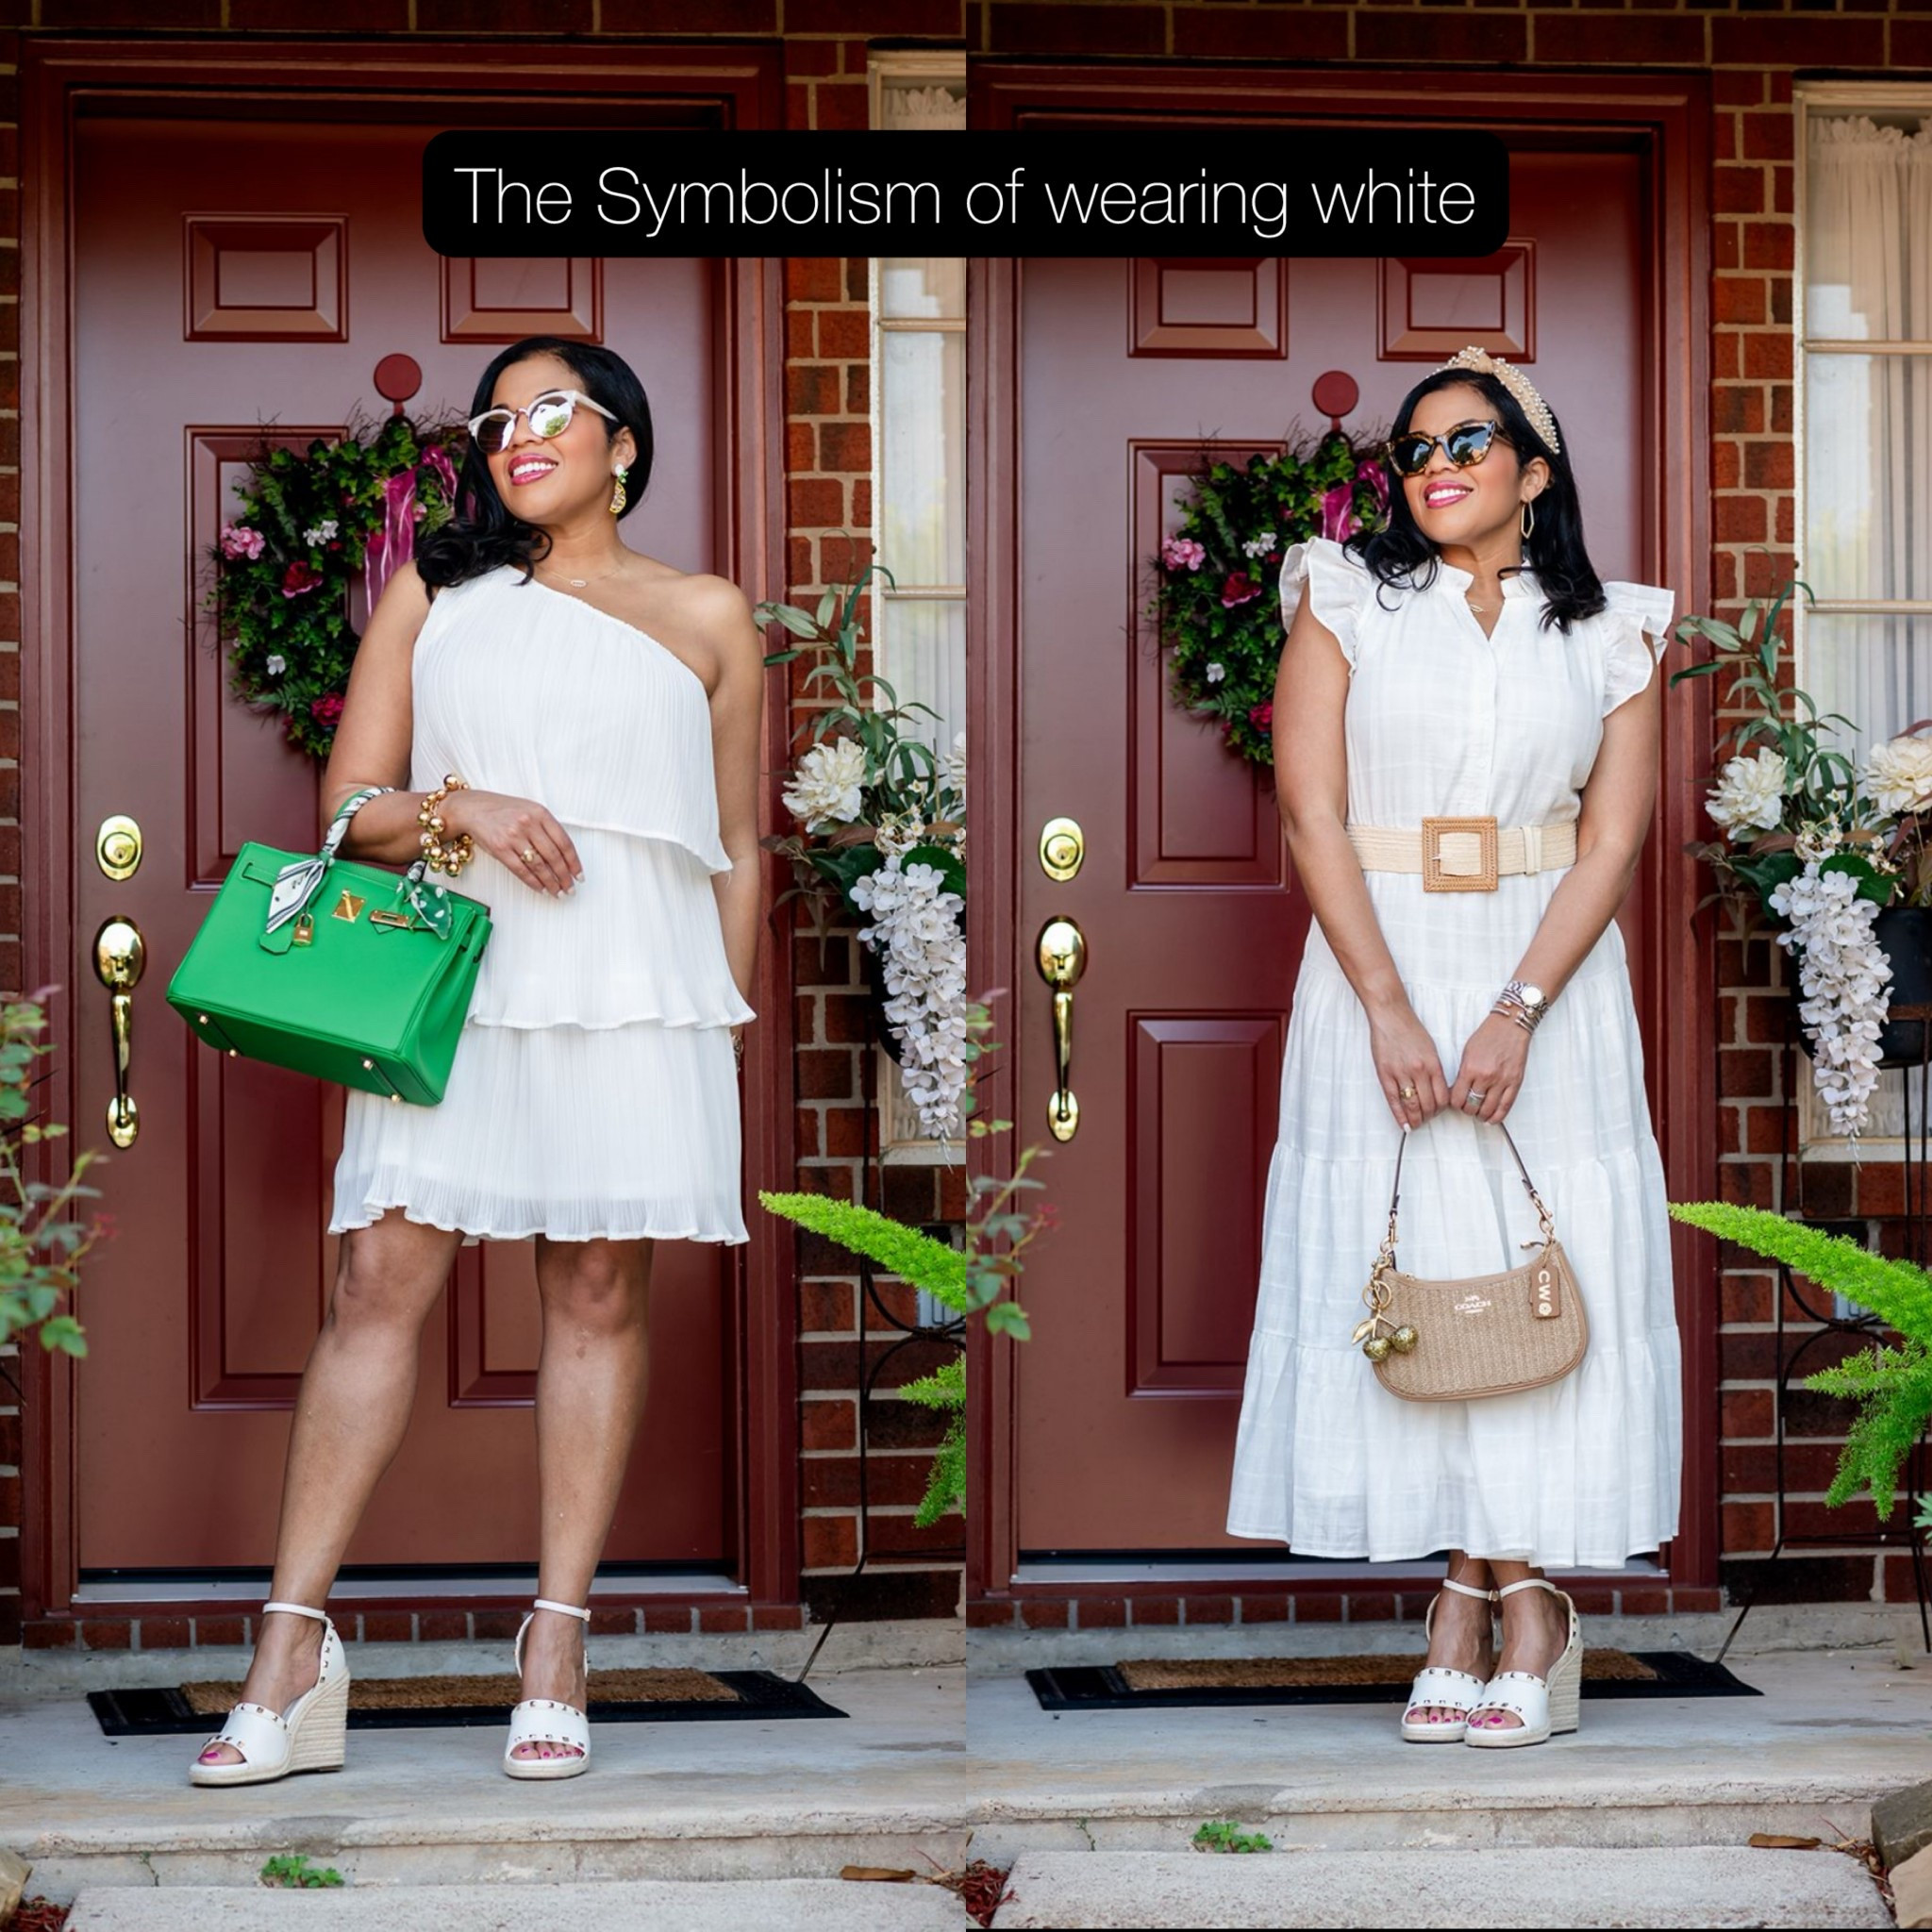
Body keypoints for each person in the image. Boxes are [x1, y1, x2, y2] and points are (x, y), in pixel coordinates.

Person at [191, 336, 763, 1785]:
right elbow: (350, 810)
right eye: (499, 418)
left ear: (623, 443)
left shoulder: (706, 616)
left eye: (551, 409)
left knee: (591, 1289)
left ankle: (556, 1641)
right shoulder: (437, 593)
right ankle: (291, 1648)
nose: (520, 434)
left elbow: (741, 845)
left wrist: (719, 1027)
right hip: (460, 978)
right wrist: (472, 803)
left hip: (638, 993)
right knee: (381, 1276)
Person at [1225, 347, 1680, 1748]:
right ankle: (1460, 1595)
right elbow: (1311, 814)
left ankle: (1520, 1596)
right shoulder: (1344, 600)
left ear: (1535, 476)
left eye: (1471, 441)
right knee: (1424, 1264)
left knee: (1545, 1271)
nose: (1437, 463)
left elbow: (1612, 838)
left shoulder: (1612, 633)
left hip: (1551, 981)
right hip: (1385, 966)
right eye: (1418, 445)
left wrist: (1518, 1009)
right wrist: (1391, 1004)